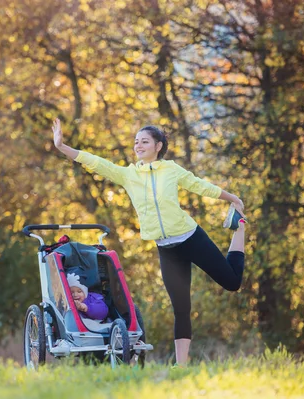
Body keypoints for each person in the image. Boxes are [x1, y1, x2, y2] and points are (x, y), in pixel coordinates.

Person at [52, 118, 246, 366]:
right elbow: (96, 162)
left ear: (158, 145)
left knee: (231, 282)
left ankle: (239, 229)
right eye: (136, 142)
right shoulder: (129, 175)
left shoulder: (171, 170)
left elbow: (199, 186)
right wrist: (62, 147)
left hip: (190, 237)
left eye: (144, 141)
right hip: (166, 248)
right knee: (181, 308)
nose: (138, 145)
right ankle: (181, 366)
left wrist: (232, 198)